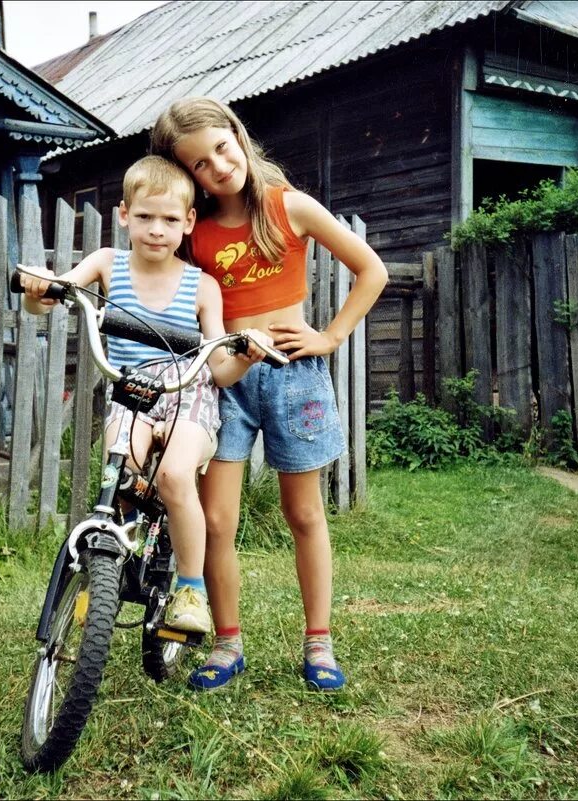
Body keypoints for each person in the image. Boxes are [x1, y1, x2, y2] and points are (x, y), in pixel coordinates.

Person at [150, 97, 389, 690]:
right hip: (223, 380)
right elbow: (160, 278)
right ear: (188, 174)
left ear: (237, 134)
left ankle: (319, 642)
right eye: (199, 164)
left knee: (303, 513)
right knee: (216, 518)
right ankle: (227, 644)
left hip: (293, 375)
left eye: (221, 149)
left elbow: (372, 270)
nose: (217, 166)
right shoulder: (194, 232)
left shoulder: (290, 207)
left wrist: (330, 336)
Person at [19, 155, 273, 635]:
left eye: (171, 220)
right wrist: (38, 289)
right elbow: (54, 295)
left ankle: (191, 589)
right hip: (132, 388)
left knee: (176, 477)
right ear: (123, 215)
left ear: (188, 223)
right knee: (123, 472)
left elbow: (219, 370)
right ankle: (110, 567)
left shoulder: (202, 286)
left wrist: (246, 354)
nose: (157, 229)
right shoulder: (106, 264)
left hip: (188, 391)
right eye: (145, 217)